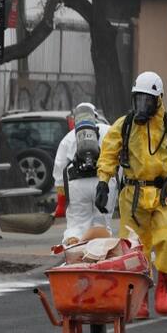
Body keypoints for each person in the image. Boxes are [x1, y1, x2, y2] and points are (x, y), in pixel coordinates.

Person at [95, 71, 167, 319]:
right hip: (132, 195)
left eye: (148, 100)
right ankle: (139, 295)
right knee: (133, 249)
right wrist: (103, 182)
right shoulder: (124, 126)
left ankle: (163, 287)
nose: (142, 106)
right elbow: (109, 153)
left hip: (165, 196)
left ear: (158, 100)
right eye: (138, 100)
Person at [52, 102, 116, 245]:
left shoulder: (69, 137)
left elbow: (59, 169)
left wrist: (61, 202)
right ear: (95, 116)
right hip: (104, 182)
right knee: (102, 222)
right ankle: (99, 254)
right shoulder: (109, 130)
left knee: (77, 222)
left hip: (77, 183)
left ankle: (74, 245)